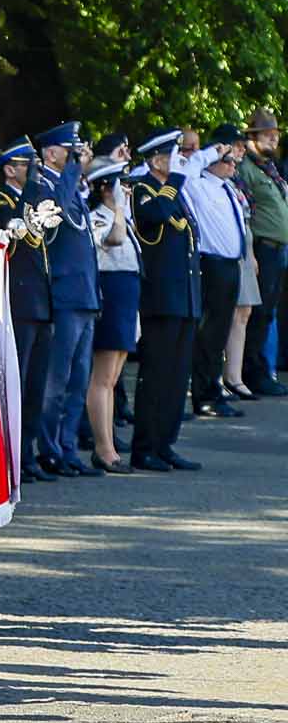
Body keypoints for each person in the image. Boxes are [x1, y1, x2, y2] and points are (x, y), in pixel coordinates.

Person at [130, 130, 201, 472]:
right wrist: (173, 180)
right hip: (161, 297)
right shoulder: (143, 188)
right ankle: (144, 447)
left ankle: (165, 443)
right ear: (158, 159)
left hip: (184, 297)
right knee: (156, 375)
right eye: (173, 155)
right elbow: (155, 216)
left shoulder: (173, 190)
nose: (179, 162)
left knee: (176, 376)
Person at [34, 125, 102, 476]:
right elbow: (55, 211)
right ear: (50, 153)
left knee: (79, 381)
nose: (75, 154)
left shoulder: (72, 184)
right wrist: (75, 170)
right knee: (56, 381)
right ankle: (49, 449)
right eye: (68, 149)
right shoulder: (47, 184)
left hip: (84, 294)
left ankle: (68, 448)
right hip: (64, 295)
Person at [0, 140, 55, 482]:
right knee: (20, 381)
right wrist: (31, 190)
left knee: (36, 386)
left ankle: (27, 456)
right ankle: (12, 458)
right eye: (28, 165)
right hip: (19, 300)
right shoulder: (1, 199)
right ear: (10, 169)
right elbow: (15, 233)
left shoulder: (31, 197)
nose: (34, 170)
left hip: (40, 300)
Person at [186, 136, 249, 417]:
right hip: (212, 265)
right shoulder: (198, 184)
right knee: (209, 334)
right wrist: (210, 152)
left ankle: (215, 387)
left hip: (231, 264)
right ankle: (205, 396)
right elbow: (184, 171)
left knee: (221, 332)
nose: (233, 163)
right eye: (227, 159)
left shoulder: (227, 188)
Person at [86, 156, 139, 473]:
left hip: (127, 292)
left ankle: (110, 444)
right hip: (111, 291)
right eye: (122, 183)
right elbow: (114, 240)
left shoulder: (121, 216)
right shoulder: (100, 217)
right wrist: (118, 208)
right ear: (106, 187)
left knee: (115, 375)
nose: (127, 190)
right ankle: (103, 448)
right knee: (103, 378)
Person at [239, 112, 288, 397]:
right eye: (267, 133)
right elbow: (246, 210)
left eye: (275, 133)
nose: (274, 137)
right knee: (257, 314)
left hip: (277, 249)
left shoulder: (269, 168)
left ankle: (257, 370)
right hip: (262, 248)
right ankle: (253, 373)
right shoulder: (247, 168)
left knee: (266, 313)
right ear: (252, 138)